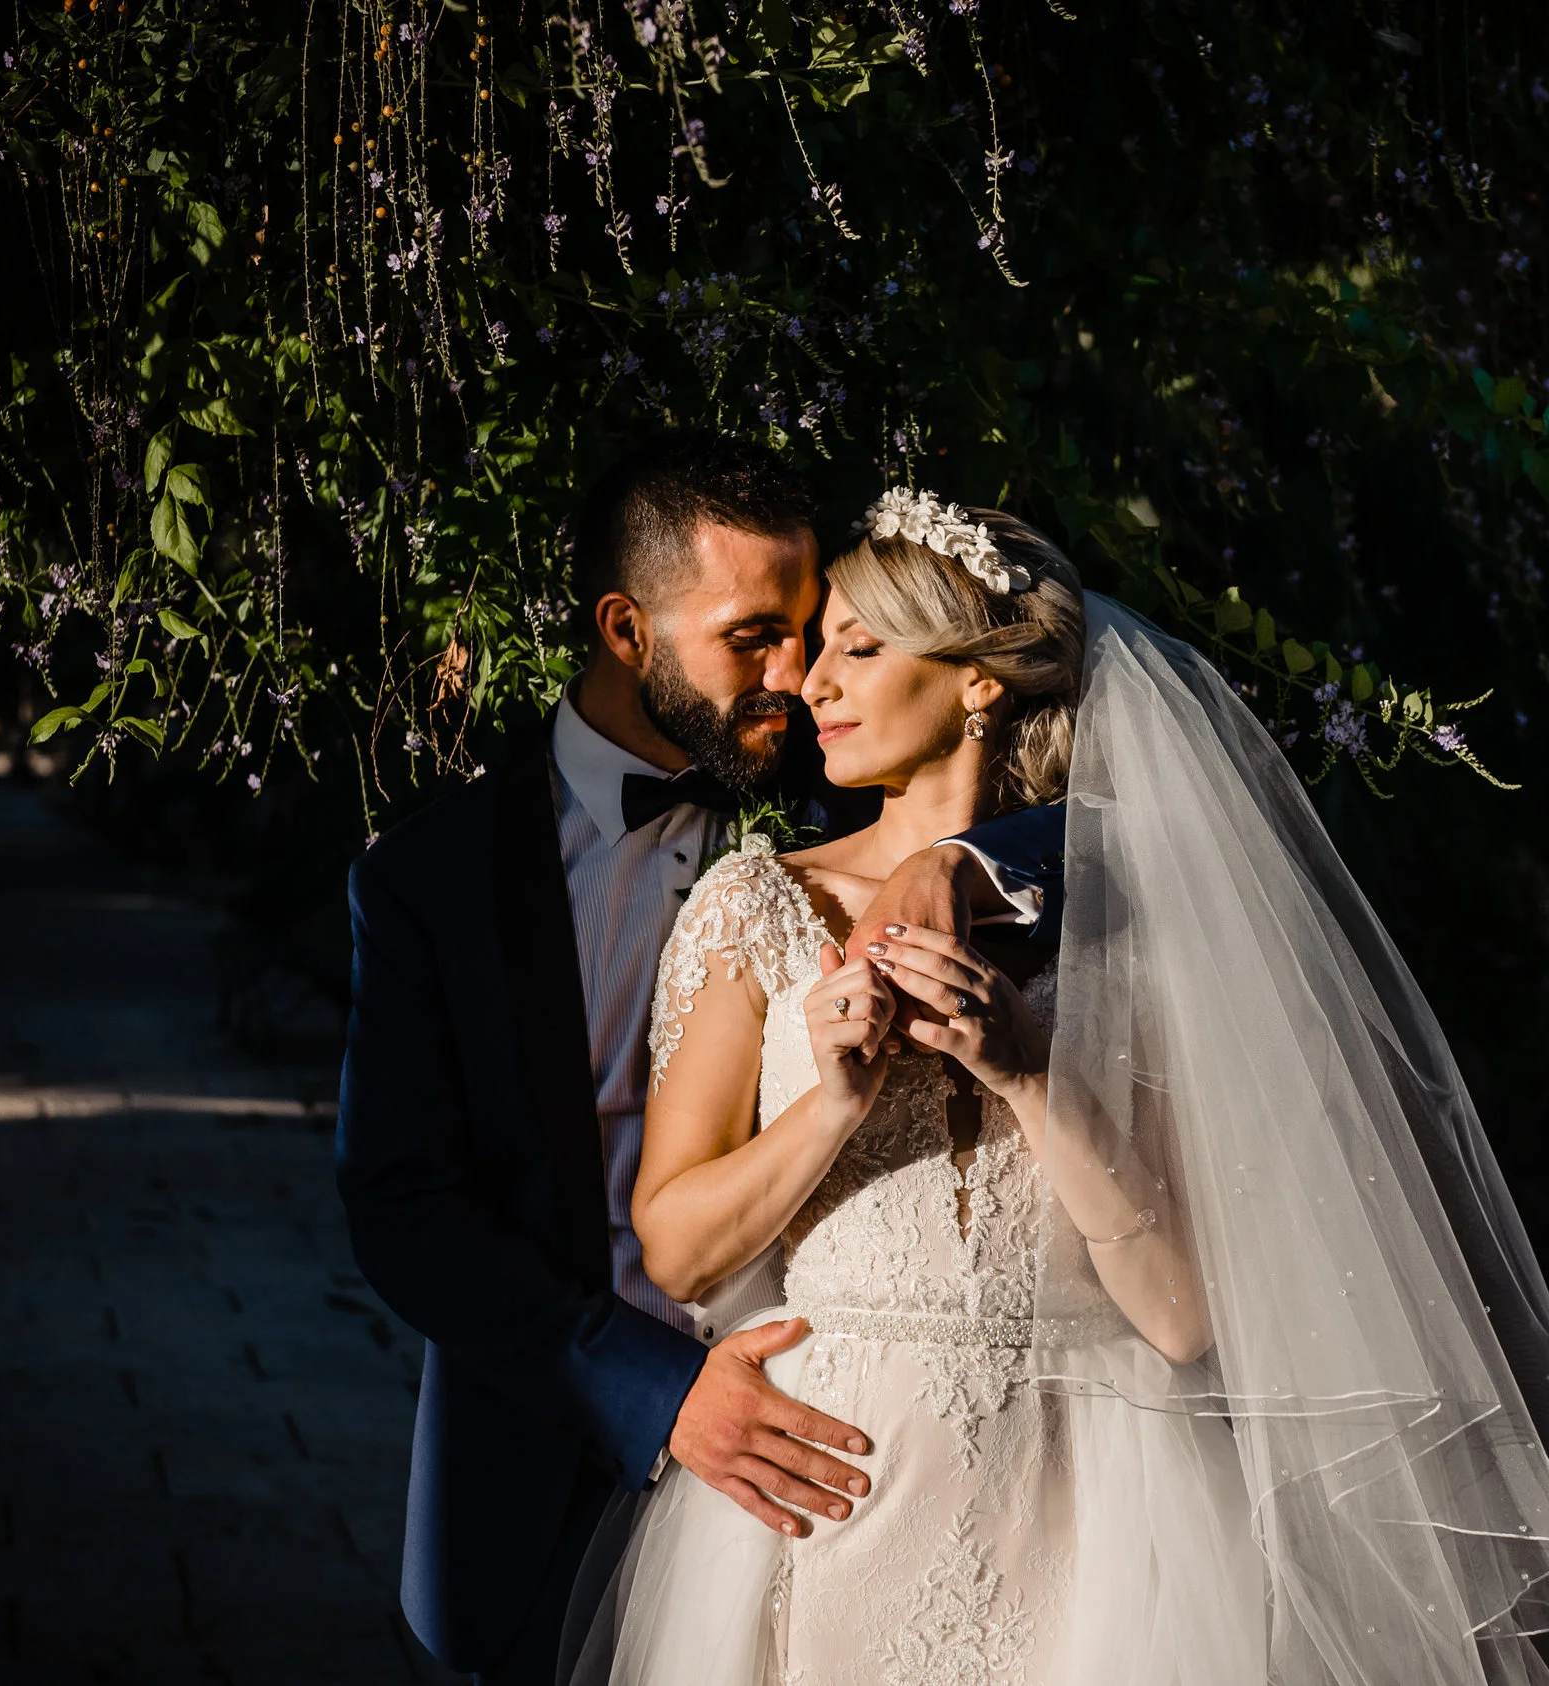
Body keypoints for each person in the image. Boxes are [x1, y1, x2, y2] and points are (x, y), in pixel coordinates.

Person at [582, 492, 1549, 1686]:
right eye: (820, 644)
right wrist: (829, 1102)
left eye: (860, 647)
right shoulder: (757, 907)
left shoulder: (1129, 925)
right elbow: (675, 1250)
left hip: (1097, 1500)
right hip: (833, 1481)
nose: (814, 681)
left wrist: (1029, 1078)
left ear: (979, 683)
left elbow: (1183, 1315)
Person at [333, 436, 1065, 1686]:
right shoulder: (430, 880)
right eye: (752, 640)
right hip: (550, 1445)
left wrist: (968, 862)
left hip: (860, 1457)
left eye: (812, 631)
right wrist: (657, 1394)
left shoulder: (842, 784)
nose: (799, 672)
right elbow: (404, 1210)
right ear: (627, 631)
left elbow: (1103, 806)